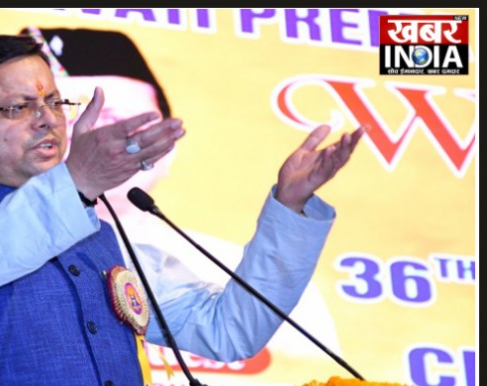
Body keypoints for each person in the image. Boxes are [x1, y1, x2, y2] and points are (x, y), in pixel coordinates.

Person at [0, 33, 364, 386]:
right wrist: (73, 184)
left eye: (54, 102)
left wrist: (289, 209)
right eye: (17, 107)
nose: (46, 120)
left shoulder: (101, 237)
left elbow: (228, 330)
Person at [25, 26, 346, 365]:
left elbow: (229, 332)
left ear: (170, 146)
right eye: (75, 121)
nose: (105, 143)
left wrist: (290, 205)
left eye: (123, 124)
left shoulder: (195, 260)